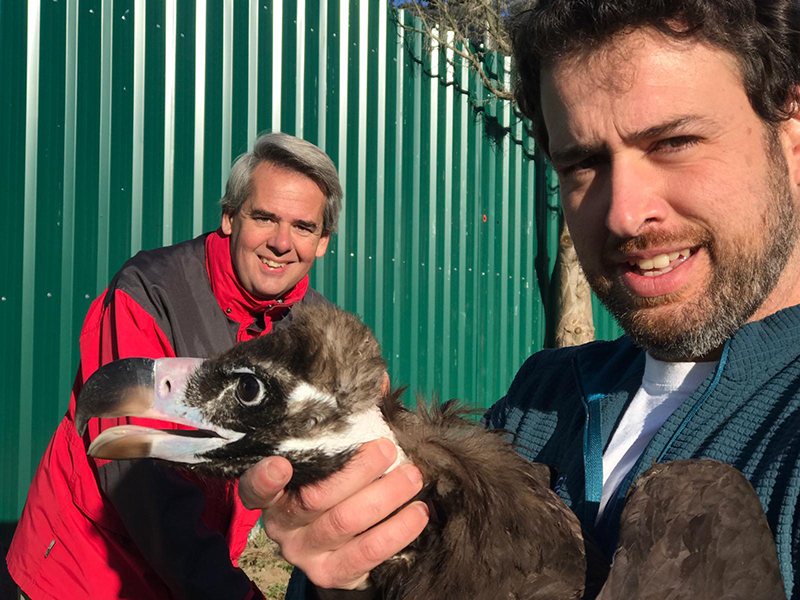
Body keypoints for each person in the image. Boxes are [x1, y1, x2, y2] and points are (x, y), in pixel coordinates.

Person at [237, 1, 800, 599]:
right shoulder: (540, 402)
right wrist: (350, 573)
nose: (625, 213)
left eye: (675, 141)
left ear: (791, 133)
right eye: (583, 163)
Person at [6, 132, 342, 599]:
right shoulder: (150, 293)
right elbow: (133, 473)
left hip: (189, 571)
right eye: (264, 217)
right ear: (229, 217)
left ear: (323, 241)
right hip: (86, 567)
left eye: (303, 227)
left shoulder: (315, 333)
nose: (282, 243)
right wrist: (229, 591)